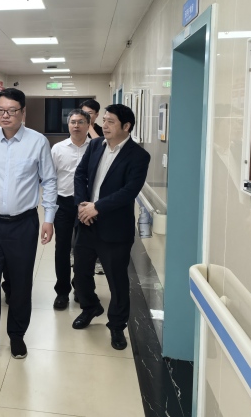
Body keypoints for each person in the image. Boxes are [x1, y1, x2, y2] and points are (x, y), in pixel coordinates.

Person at [0, 88, 57, 367]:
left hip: (23, 224)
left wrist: (48, 218)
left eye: (11, 111)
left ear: (23, 112)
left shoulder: (37, 142)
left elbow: (49, 181)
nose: (5, 115)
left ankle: (17, 335)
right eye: (0, 110)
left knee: (20, 282)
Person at [72, 104, 150, 351]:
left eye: (110, 122)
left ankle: (117, 325)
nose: (104, 125)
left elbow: (129, 191)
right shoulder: (95, 145)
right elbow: (80, 175)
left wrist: (97, 207)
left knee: (117, 281)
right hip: (87, 223)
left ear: (126, 126)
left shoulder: (138, 156)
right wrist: (83, 205)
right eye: (104, 120)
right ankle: (90, 307)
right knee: (80, 273)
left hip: (114, 229)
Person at [50, 109, 91, 310]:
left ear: (88, 125)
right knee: (62, 249)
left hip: (87, 206)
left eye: (81, 122)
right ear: (68, 125)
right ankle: (62, 292)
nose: (76, 126)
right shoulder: (58, 149)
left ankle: (81, 288)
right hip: (63, 204)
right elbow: (50, 178)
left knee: (85, 250)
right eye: (73, 122)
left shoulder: (96, 147)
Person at [80, 99, 105, 276]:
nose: (85, 117)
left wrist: (89, 127)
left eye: (89, 114)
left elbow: (102, 146)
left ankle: (99, 260)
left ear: (96, 115)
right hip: (81, 186)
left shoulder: (102, 131)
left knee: (98, 227)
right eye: (83, 113)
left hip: (98, 188)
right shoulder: (77, 128)